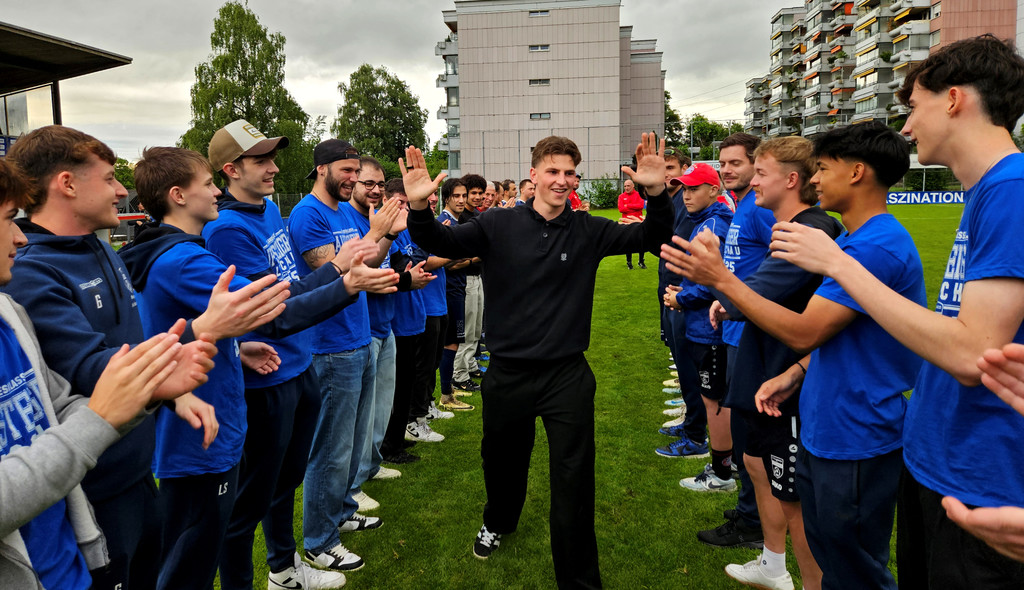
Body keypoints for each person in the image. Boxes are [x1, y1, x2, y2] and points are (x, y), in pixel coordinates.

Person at [768, 35, 1024, 588]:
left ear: (953, 100)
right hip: (938, 462)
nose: (906, 128)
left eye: (913, 106)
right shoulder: (987, 192)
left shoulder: (1012, 189)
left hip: (982, 485)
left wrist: (840, 265)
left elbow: (971, 353)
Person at [404, 133, 673, 589]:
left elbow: (653, 235)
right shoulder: (497, 225)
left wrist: (656, 192)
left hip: (566, 375)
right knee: (502, 462)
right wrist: (417, 206)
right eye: (553, 171)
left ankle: (579, 579)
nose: (562, 180)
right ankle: (499, 520)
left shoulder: (589, 229)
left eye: (570, 173)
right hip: (508, 372)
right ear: (534, 175)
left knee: (574, 477)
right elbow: (439, 239)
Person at [663, 121, 925, 589]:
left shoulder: (874, 244)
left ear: (858, 172)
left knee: (856, 568)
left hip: (857, 429)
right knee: (831, 551)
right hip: (829, 421)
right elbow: (838, 331)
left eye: (822, 167)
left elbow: (806, 330)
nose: (815, 178)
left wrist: (721, 279)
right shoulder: (848, 242)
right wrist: (799, 372)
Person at [1, 125, 240, 590]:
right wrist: (200, 334)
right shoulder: (32, 275)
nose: (120, 190)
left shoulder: (101, 248)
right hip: (96, 486)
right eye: (110, 178)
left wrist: (163, 394)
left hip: (134, 467)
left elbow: (87, 378)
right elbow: (90, 371)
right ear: (67, 184)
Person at [200, 121, 358, 590]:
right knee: (251, 498)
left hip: (298, 361)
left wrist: (335, 272)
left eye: (272, 158)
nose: (273, 168)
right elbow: (270, 310)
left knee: (285, 480)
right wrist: (340, 273)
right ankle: (265, 576)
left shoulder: (268, 209)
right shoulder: (227, 228)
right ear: (231, 169)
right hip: (268, 374)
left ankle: (284, 569)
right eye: (260, 161)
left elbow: (290, 284)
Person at [709, 137, 841, 590]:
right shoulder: (790, 226)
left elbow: (757, 296)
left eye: (760, 172)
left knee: (794, 498)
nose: (753, 181)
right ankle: (771, 563)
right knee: (757, 465)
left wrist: (719, 284)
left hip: (787, 385)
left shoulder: (810, 229)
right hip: (767, 375)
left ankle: (809, 582)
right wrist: (729, 298)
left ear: (790, 179)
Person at [288, 140, 401, 574]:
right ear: (322, 169)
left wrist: (386, 235)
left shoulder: (340, 212)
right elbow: (329, 273)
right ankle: (319, 541)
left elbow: (367, 261)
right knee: (331, 449)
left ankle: (343, 510)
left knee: (352, 442)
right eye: (347, 170)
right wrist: (377, 236)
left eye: (357, 170)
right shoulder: (308, 215)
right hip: (329, 347)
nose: (353, 179)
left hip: (357, 336)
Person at [658, 164, 733, 482]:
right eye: (684, 189)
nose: (686, 195)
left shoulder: (713, 224)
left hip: (707, 325)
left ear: (713, 191)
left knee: (711, 394)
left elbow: (713, 280)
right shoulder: (702, 219)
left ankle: (704, 448)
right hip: (698, 321)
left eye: (693, 189)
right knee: (700, 387)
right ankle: (697, 436)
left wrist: (682, 298)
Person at [617, 179, 646, 269]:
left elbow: (641, 206)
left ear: (633, 186)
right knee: (628, 242)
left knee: (641, 242)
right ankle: (629, 262)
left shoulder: (638, 195)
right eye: (625, 186)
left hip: (638, 222)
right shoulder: (621, 196)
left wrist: (628, 205)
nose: (626, 188)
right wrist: (634, 207)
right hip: (626, 223)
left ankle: (641, 261)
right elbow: (621, 209)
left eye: (628, 186)